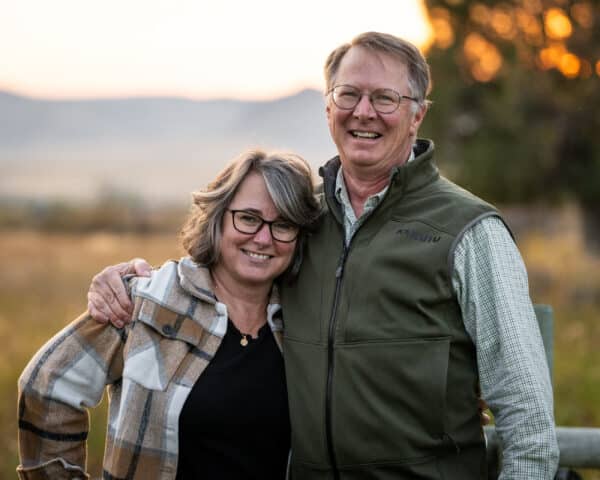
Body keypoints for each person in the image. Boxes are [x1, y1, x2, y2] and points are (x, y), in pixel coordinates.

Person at [86, 32, 559, 479]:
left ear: (417, 115)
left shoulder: (469, 231)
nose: (364, 112)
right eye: (348, 94)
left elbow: (527, 417)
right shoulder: (299, 218)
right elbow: (224, 267)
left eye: (385, 99)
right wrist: (129, 279)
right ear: (328, 106)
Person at [16, 150, 321, 479]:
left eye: (283, 225)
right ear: (217, 218)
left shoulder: (304, 320)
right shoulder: (148, 299)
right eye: (248, 218)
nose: (263, 238)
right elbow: (46, 386)